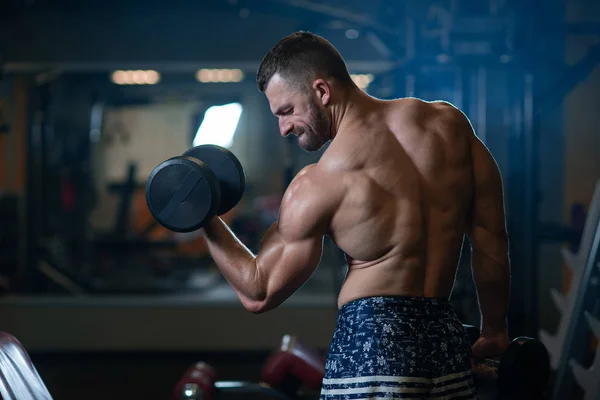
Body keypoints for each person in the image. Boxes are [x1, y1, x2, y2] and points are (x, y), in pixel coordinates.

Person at [201, 31, 511, 399]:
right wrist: (494, 329)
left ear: (321, 91)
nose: (283, 127)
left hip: (374, 356)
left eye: (286, 111)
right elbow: (491, 241)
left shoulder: (320, 181)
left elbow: (259, 290)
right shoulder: (450, 126)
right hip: (447, 347)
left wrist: (203, 213)